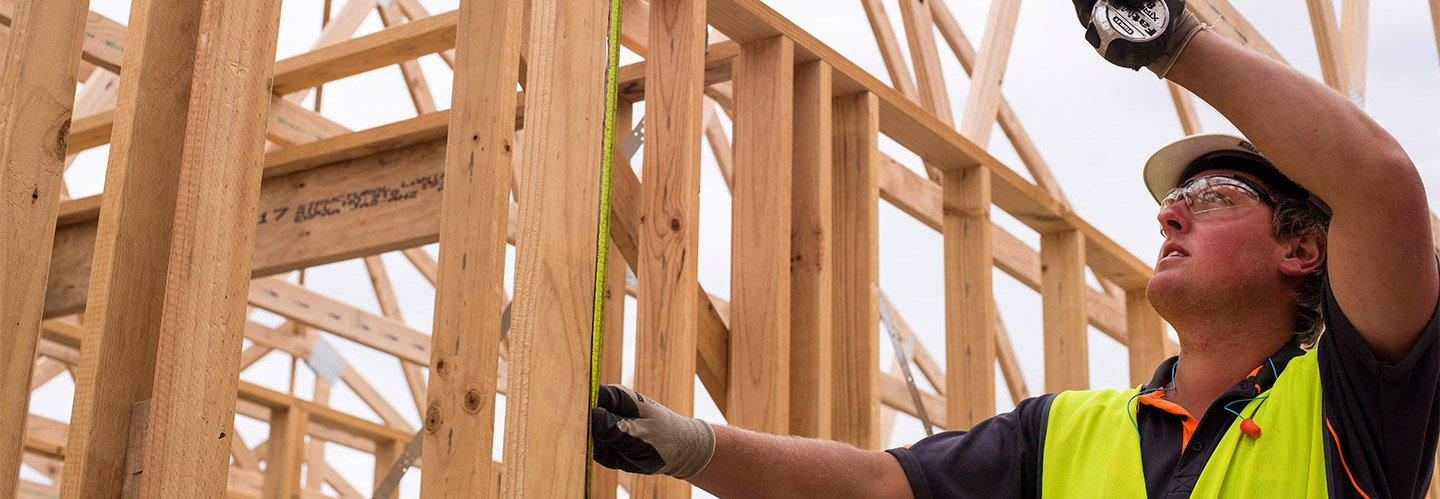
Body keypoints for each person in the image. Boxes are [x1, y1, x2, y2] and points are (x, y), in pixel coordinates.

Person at [589, 0, 1440, 496]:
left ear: (1303, 249)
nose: (1170, 218)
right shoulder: (1062, 435)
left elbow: (1382, 187)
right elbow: (877, 485)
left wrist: (1171, 38)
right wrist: (698, 447)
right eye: (1172, 202)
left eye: (1210, 199)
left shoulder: (1346, 406)